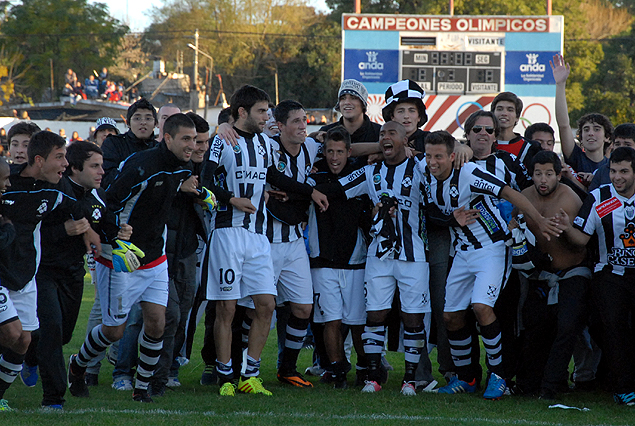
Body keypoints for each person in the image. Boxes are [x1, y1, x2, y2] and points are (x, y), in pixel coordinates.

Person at [67, 113, 206, 403]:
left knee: (159, 320)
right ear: (167, 138)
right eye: (186, 139)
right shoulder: (141, 166)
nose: (192, 145)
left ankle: (142, 387)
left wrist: (202, 193)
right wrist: (117, 234)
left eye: (194, 139)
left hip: (155, 256)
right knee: (114, 330)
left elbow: (175, 186)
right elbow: (109, 202)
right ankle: (78, 365)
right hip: (120, 256)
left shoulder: (183, 165)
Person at [200, 85, 327, 397]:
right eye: (261, 110)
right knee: (227, 309)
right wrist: (231, 199)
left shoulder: (264, 143)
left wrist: (306, 192)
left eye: (268, 110)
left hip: (259, 237)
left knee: (266, 305)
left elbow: (275, 174)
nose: (267, 116)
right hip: (228, 234)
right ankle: (225, 376)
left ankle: (250, 374)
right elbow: (204, 180)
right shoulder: (222, 140)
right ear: (242, 112)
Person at [422, 130, 560, 400]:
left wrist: (539, 221)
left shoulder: (469, 173)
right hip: (462, 252)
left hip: (492, 249)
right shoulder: (424, 170)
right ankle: (467, 378)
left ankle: (498, 376)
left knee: (482, 307)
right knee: (450, 316)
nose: (432, 162)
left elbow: (509, 192)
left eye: (438, 156)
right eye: (428, 156)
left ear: (452, 156)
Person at [0, 132, 98, 412]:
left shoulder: (58, 187)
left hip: (26, 276)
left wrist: (88, 230)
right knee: (13, 332)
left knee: (24, 341)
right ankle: (53, 398)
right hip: (4, 276)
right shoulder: (8, 183)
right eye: (60, 157)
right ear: (39, 160)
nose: (65, 164)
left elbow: (77, 208)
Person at [34, 141, 129, 410]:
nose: (101, 172)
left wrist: (122, 235)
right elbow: (32, 233)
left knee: (61, 335)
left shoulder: (98, 196)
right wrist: (64, 230)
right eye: (94, 166)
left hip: (74, 272)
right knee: (52, 332)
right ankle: (53, 399)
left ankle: (29, 351)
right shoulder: (54, 191)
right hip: (44, 272)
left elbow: (107, 229)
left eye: (101, 165)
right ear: (75, 168)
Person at [556, 146, 635, 406]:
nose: (617, 177)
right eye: (613, 171)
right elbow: (581, 239)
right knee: (612, 327)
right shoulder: (599, 196)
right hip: (609, 273)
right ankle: (623, 387)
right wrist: (567, 227)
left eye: (624, 171)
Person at [512, 151, 590, 400]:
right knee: (533, 327)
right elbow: (512, 226)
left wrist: (567, 228)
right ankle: (529, 383)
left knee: (566, 326)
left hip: (572, 272)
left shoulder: (570, 198)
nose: (543, 179)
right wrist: (514, 226)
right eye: (538, 174)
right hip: (539, 275)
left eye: (548, 174)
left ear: (558, 175)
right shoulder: (524, 197)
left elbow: (583, 243)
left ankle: (553, 384)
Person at [149, 112, 210, 396]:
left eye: (200, 141)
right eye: (191, 141)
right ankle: (144, 374)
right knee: (166, 315)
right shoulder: (163, 166)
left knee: (182, 315)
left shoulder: (206, 169)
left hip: (187, 252)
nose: (197, 146)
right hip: (158, 254)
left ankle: (168, 369)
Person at [307, 127, 372, 389]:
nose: (334, 157)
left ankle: (364, 369)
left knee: (358, 323)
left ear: (349, 152)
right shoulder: (311, 173)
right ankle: (336, 370)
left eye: (340, 152)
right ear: (324, 151)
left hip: (356, 260)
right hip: (322, 261)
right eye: (330, 151)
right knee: (330, 320)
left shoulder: (360, 172)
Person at [552, 54, 612, 179]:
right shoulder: (575, 157)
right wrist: (560, 84)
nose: (590, 133)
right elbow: (563, 125)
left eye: (596, 129)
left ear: (607, 137)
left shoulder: (612, 167)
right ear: (580, 136)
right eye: (586, 130)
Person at [320, 79, 381, 168]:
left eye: (353, 98)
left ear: (363, 104)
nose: (347, 102)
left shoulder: (379, 133)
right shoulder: (326, 132)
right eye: (343, 98)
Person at [101, 98, 158, 189]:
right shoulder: (114, 144)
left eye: (148, 118)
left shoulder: (158, 149)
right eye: (137, 118)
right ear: (128, 123)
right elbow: (105, 180)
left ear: (155, 123)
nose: (143, 122)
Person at [490, 92, 542, 170]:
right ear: (492, 114)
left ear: (517, 117)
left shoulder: (531, 148)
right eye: (500, 109)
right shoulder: (482, 143)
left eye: (510, 110)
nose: (504, 113)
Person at [589, 124, 635, 191]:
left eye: (627, 144)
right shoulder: (601, 172)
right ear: (612, 145)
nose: (621, 148)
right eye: (617, 144)